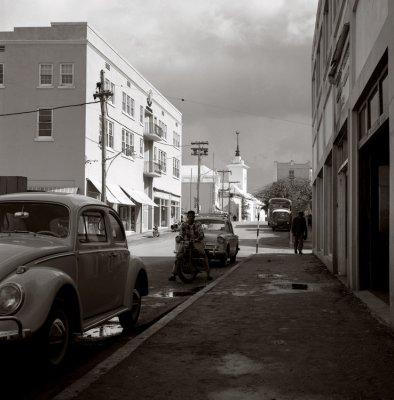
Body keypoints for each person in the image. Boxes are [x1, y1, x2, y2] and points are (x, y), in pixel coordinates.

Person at [169, 210, 212, 281]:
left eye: (192, 216)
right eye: (189, 216)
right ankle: (173, 274)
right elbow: (181, 233)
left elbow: (201, 233)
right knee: (178, 256)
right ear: (187, 217)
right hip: (186, 242)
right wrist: (179, 238)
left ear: (194, 217)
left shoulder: (198, 224)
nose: (191, 218)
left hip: (196, 242)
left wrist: (198, 238)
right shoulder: (184, 224)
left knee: (203, 255)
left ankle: (208, 274)